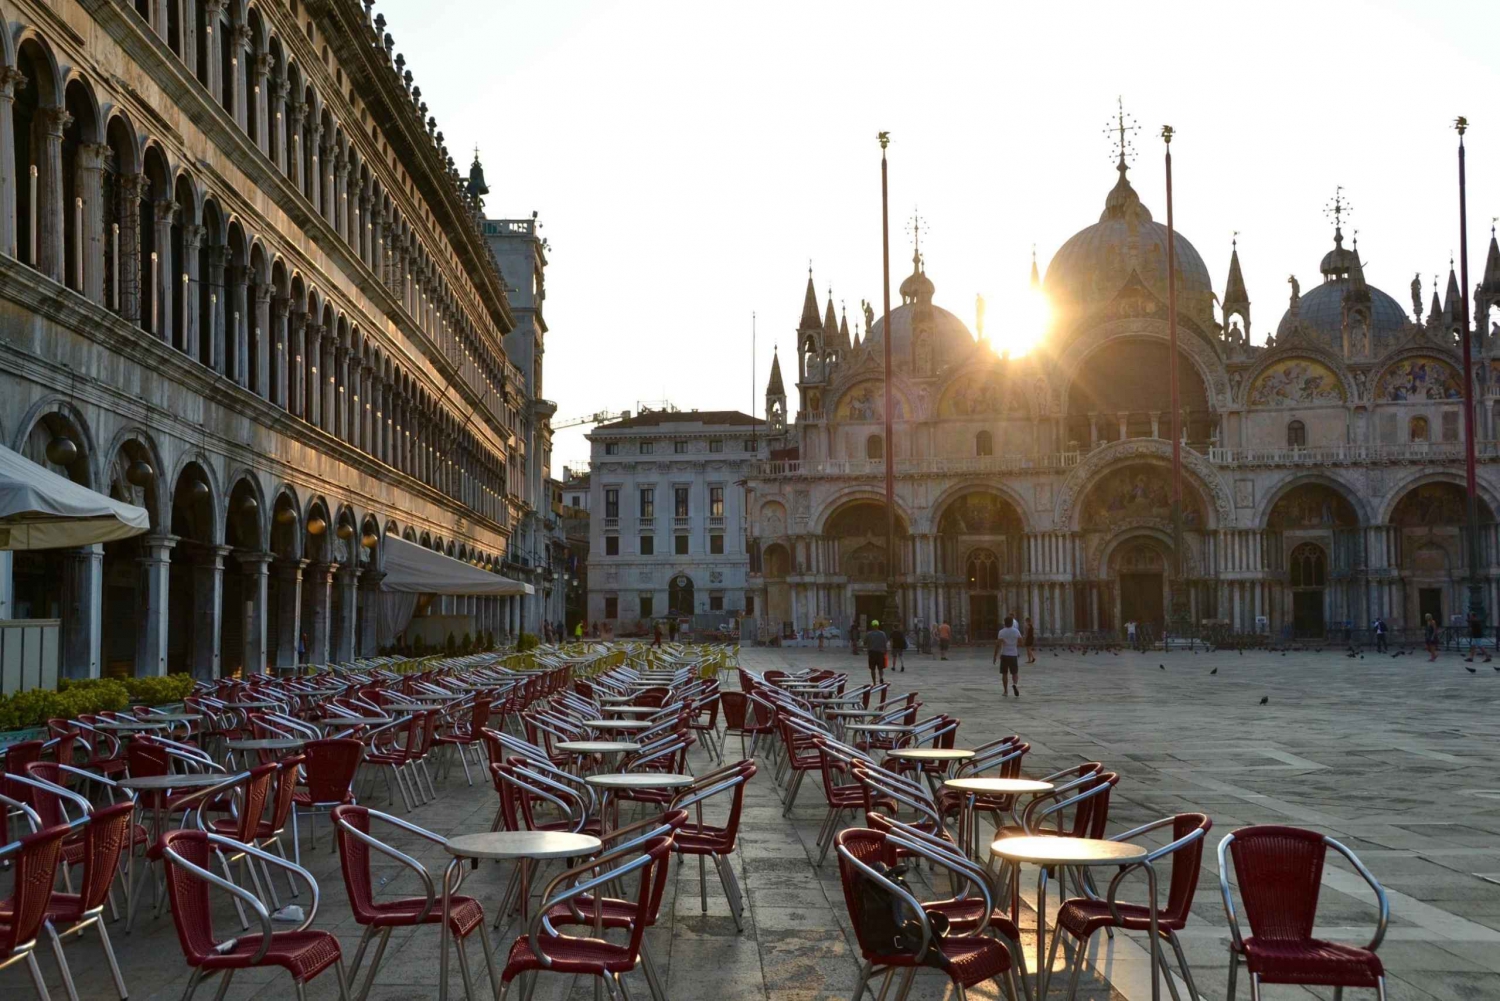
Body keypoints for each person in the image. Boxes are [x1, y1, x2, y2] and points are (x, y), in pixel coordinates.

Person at [993, 615, 1022, 697]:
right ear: (1012, 623)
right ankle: (1015, 684)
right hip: (1013, 654)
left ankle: (1005, 691)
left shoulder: (1001, 632)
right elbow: (1021, 642)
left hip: (1004, 654)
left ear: (1004, 623)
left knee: (1004, 673)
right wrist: (1015, 644)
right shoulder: (1016, 631)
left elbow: (998, 645)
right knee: (1014, 673)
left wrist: (995, 656)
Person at [864, 618, 888, 684]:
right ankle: (881, 677)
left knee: (872, 669)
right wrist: (885, 651)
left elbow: (864, 642)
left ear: (872, 626)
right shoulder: (882, 634)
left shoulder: (869, 634)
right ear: (878, 625)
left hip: (872, 653)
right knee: (881, 668)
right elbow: (885, 643)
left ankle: (874, 682)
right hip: (880, 653)